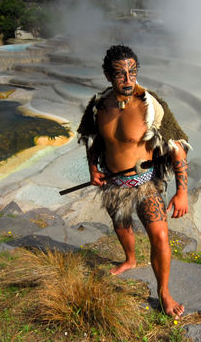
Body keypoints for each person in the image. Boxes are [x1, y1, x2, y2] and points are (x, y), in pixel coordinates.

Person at [76, 45, 191, 317]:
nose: (128, 80)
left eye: (133, 72)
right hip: (114, 185)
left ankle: (163, 292)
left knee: (161, 237)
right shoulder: (99, 107)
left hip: (145, 184)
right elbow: (93, 141)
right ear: (107, 76)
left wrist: (181, 191)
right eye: (120, 74)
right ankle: (130, 259)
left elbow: (178, 148)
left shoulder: (151, 106)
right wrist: (93, 170)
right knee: (122, 227)